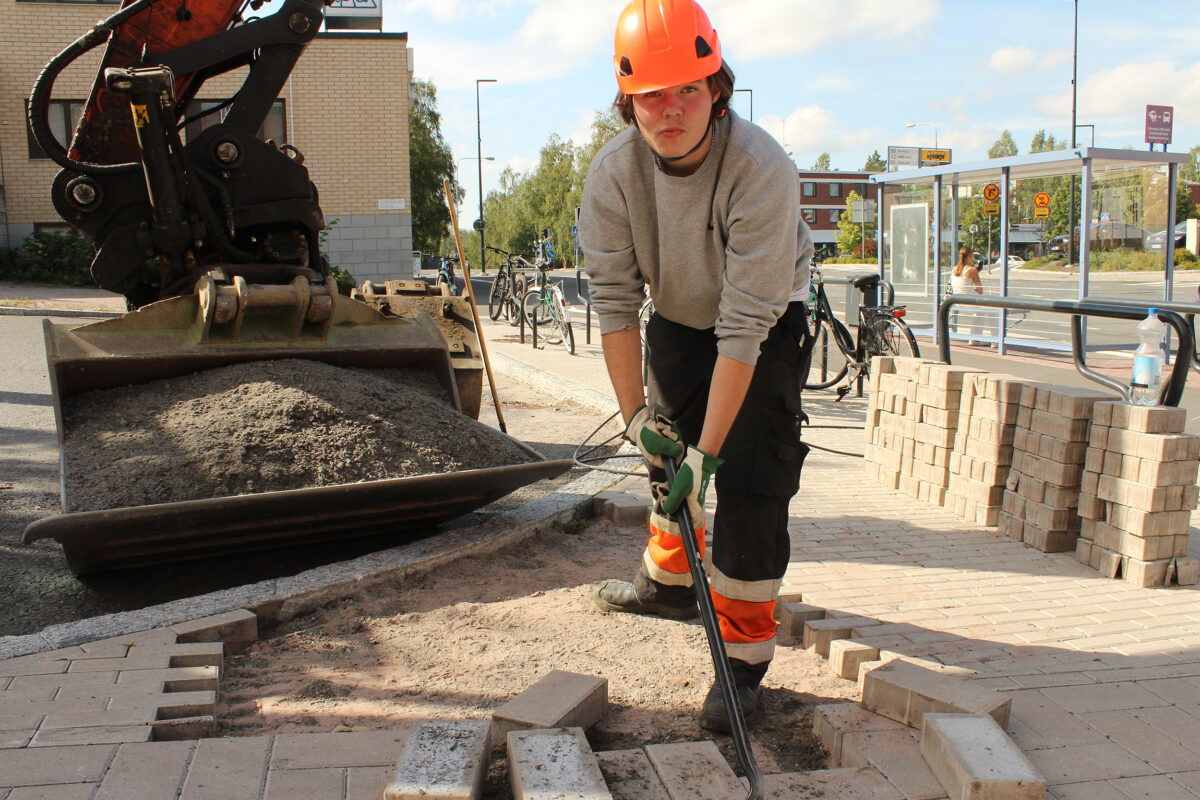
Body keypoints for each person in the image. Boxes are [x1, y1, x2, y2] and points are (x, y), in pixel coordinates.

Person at [579, 0, 815, 732]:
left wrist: (710, 454)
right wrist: (636, 421)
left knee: (747, 479)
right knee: (665, 457)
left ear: (718, 88)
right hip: (678, 317)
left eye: (688, 87)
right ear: (628, 102)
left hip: (765, 325)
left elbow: (746, 327)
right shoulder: (613, 176)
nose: (670, 108)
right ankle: (670, 583)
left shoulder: (761, 168)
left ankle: (743, 665)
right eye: (652, 93)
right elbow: (616, 304)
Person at [950, 246, 984, 344]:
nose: (973, 258)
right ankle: (992, 340)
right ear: (969, 256)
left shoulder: (954, 269)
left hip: (957, 301)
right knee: (991, 312)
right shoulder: (972, 270)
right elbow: (980, 290)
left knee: (979, 312)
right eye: (972, 256)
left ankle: (975, 338)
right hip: (970, 301)